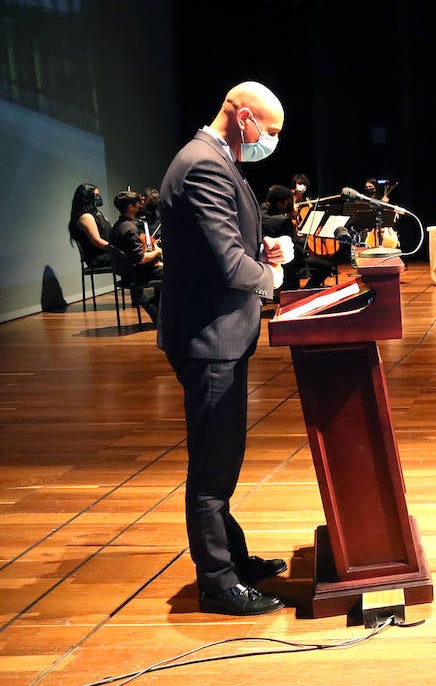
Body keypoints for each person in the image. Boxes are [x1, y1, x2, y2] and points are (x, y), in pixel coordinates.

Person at [158, 81, 293, 617]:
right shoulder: (204, 164)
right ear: (243, 120)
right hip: (208, 337)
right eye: (270, 130)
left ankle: (231, 559)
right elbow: (227, 267)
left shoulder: (217, 158)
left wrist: (265, 249)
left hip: (219, 332)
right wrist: (272, 276)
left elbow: (229, 246)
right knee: (213, 467)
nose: (270, 141)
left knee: (224, 458)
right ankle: (217, 581)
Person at [108, 189, 163, 320]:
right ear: (130, 207)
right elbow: (140, 259)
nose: (141, 204)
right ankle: (156, 307)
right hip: (138, 272)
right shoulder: (130, 229)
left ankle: (158, 308)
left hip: (127, 272)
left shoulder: (118, 225)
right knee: (177, 271)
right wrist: (157, 251)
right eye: (138, 202)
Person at [68, 182, 111, 268]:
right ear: (87, 197)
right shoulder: (86, 217)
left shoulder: (97, 213)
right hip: (99, 257)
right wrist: (116, 250)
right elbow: (97, 241)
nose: (98, 198)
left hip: (106, 253)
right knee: (134, 256)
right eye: (96, 195)